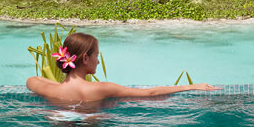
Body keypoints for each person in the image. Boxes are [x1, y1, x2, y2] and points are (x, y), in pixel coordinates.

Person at [26, 32, 219, 102]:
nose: (98, 61)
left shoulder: (51, 90)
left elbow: (31, 80)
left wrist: (59, 84)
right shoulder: (102, 89)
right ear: (85, 58)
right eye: (97, 56)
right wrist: (191, 86)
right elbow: (151, 94)